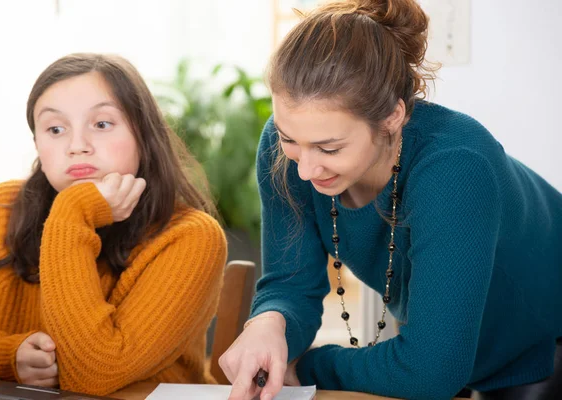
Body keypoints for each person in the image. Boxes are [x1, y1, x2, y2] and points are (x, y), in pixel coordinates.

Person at [219, 1, 562, 399]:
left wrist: (309, 366)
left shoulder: (455, 167)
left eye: (329, 148)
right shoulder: (289, 147)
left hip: (542, 344)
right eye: (288, 138)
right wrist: (269, 323)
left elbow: (429, 373)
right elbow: (290, 283)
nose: (304, 170)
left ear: (392, 118)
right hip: (454, 355)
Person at [0, 53, 227, 396]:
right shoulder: (1, 209)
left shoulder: (191, 236)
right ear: (38, 146)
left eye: (101, 124)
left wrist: (73, 211)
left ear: (143, 134)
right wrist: (5, 357)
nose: (76, 147)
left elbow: (91, 379)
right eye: (55, 129)